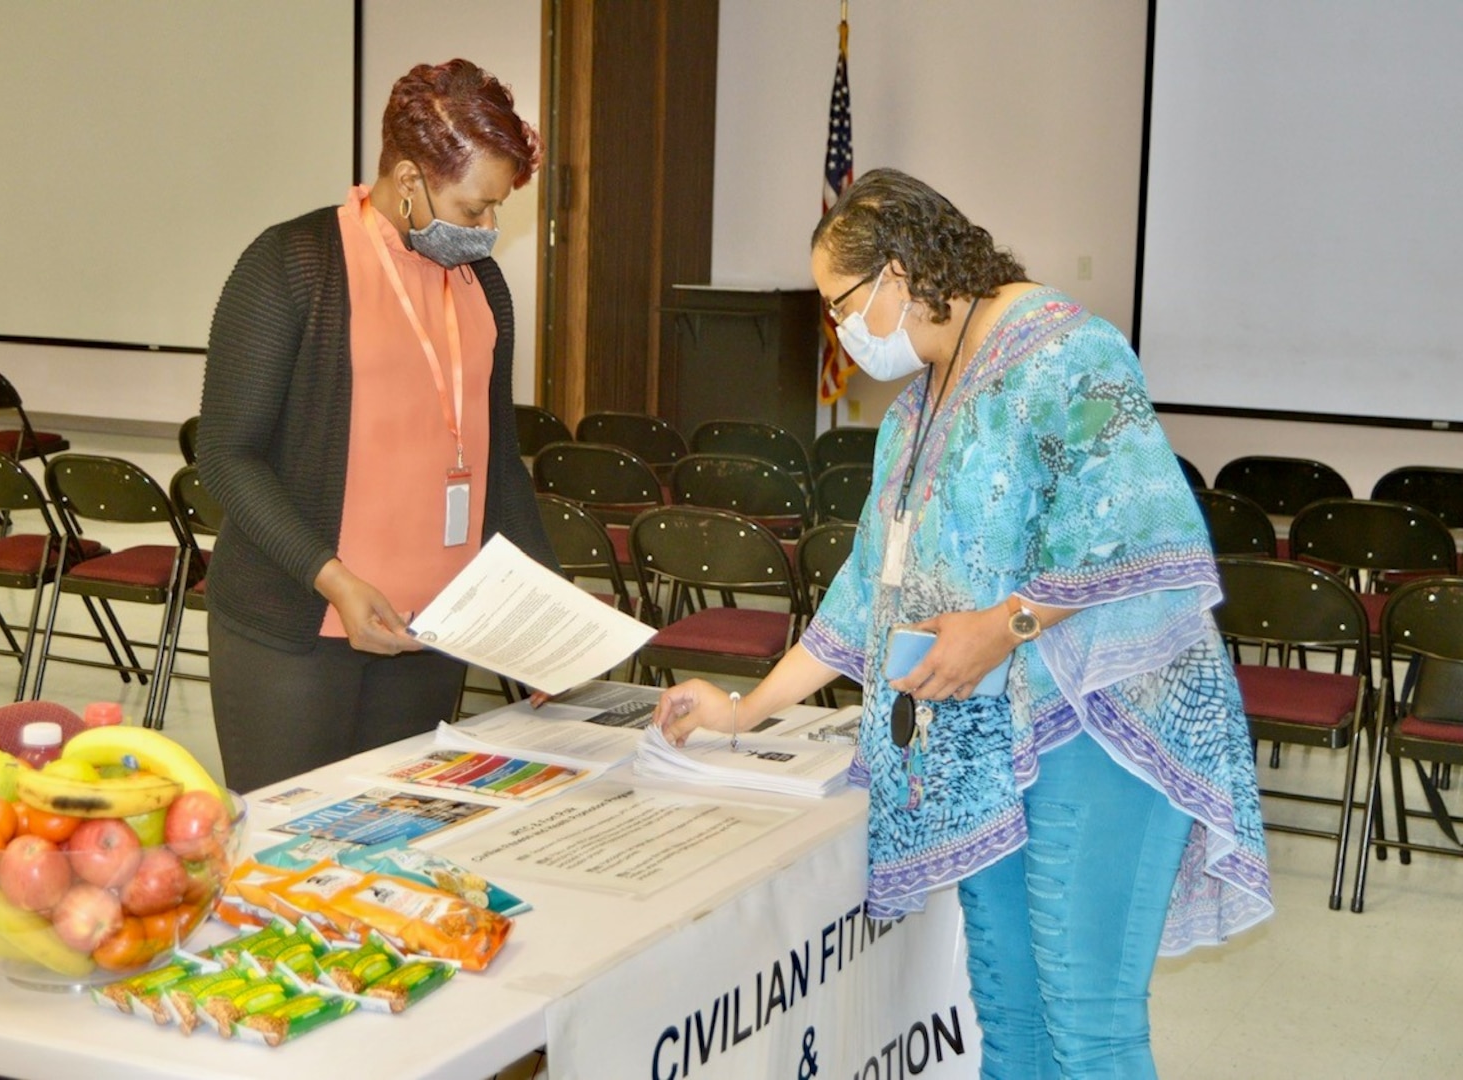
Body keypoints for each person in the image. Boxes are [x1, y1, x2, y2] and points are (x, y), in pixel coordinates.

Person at [655, 168, 1271, 1079]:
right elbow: (871, 586)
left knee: (1086, 1020)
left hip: (1100, 716)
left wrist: (1003, 625)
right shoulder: (916, 408)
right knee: (1011, 1012)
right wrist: (748, 710)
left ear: (900, 274)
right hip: (982, 739)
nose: (838, 331)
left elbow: (1142, 531)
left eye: (840, 304)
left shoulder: (1067, 351)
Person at [199, 59, 555, 792]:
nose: (488, 229)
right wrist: (332, 579)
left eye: (497, 210)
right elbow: (227, 456)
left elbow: (502, 468)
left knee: (396, 854)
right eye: (473, 208)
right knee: (290, 863)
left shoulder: (482, 284)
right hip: (295, 633)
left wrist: (545, 620)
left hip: (433, 634)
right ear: (406, 180)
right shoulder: (292, 265)